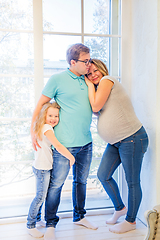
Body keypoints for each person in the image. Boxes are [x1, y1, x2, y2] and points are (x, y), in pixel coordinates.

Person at [31, 44, 98, 240]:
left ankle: (79, 217)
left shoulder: (87, 80)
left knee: (81, 182)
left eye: (89, 60)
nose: (89, 64)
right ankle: (50, 222)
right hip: (64, 144)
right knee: (56, 184)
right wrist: (32, 131)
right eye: (86, 61)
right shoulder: (57, 79)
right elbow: (41, 105)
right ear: (73, 62)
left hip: (86, 142)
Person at [85, 59, 149, 234]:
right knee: (103, 175)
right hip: (116, 142)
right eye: (88, 74)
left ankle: (131, 221)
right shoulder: (100, 89)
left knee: (132, 182)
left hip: (132, 138)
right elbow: (96, 110)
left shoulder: (107, 80)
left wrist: (89, 85)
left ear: (102, 68)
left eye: (94, 70)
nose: (93, 75)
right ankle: (120, 208)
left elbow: (95, 106)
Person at [27, 102, 75, 238]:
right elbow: (58, 145)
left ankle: (36, 219)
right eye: (50, 115)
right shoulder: (47, 128)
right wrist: (71, 157)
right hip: (42, 168)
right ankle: (30, 225)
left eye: (56, 116)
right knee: (40, 197)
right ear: (44, 115)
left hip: (41, 166)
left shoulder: (41, 126)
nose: (53, 118)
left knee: (42, 195)